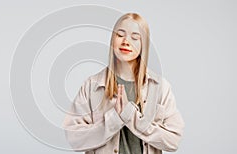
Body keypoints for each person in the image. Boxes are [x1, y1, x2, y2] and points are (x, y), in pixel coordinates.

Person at [62, 13, 185, 154]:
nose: (126, 41)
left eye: (135, 37)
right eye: (120, 35)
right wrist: (114, 120)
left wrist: (131, 116)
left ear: (143, 44)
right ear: (112, 40)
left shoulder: (160, 87)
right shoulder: (91, 86)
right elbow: (74, 139)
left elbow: (173, 141)